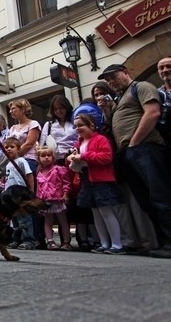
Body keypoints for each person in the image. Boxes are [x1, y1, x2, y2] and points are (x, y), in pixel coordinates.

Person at [98, 63, 171, 259]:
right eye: (108, 80)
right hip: (129, 153)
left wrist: (135, 142)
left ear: (126, 72)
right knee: (146, 201)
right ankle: (162, 242)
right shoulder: (119, 99)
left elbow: (152, 113)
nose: (111, 82)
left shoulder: (141, 86)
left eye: (113, 76)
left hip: (145, 148)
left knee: (160, 196)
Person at [92, 81, 157, 253]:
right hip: (116, 162)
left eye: (101, 93)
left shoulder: (120, 104)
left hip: (128, 153)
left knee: (137, 199)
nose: (99, 98)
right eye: (95, 95)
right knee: (123, 203)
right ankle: (130, 240)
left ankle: (147, 240)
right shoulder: (99, 114)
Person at [68, 113, 125, 254]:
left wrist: (82, 156)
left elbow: (106, 157)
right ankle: (104, 243)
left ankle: (117, 245)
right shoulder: (79, 143)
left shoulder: (101, 139)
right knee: (96, 213)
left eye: (81, 125)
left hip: (101, 179)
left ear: (91, 125)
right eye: (75, 126)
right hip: (87, 179)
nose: (77, 129)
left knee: (106, 211)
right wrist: (71, 158)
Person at [6, 98, 42, 249]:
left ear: (22, 108)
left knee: (27, 200)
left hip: (27, 160)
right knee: (14, 203)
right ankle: (18, 236)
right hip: (14, 164)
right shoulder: (13, 127)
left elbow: (29, 143)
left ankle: (34, 237)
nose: (11, 111)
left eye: (14, 108)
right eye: (10, 109)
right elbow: (8, 143)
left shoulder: (33, 124)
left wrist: (16, 156)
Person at [1, 137, 35, 250]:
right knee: (14, 219)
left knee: (24, 217)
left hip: (21, 196)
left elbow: (29, 175)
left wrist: (31, 191)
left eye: (12, 147)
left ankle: (28, 240)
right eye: (6, 147)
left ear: (18, 149)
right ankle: (17, 239)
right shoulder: (7, 164)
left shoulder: (21, 161)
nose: (9, 149)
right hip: (11, 197)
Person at [35, 145, 72, 250]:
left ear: (53, 157)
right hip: (45, 201)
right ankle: (50, 241)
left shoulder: (59, 169)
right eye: (43, 156)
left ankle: (66, 242)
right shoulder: (39, 172)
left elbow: (66, 183)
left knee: (63, 220)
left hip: (58, 199)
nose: (46, 157)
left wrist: (66, 194)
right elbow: (38, 188)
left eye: (48, 155)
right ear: (39, 159)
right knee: (48, 220)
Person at [39, 95, 77, 166]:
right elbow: (42, 145)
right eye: (55, 109)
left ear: (66, 107)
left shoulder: (75, 122)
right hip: (57, 161)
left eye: (61, 108)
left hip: (75, 158)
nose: (58, 111)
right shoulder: (49, 125)